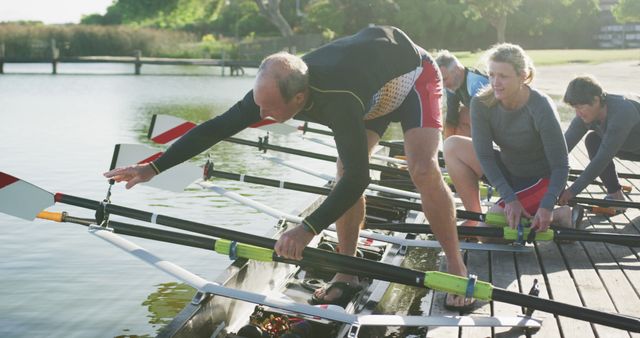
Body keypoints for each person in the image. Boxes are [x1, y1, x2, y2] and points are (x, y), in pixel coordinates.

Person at [104, 26, 471, 310]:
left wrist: (306, 229)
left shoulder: (338, 98)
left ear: (299, 98)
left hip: (412, 76)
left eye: (269, 111)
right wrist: (155, 166)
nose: (262, 117)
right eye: (259, 106)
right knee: (344, 170)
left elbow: (363, 179)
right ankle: (349, 271)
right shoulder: (273, 89)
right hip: (371, 89)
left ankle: (456, 265)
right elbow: (218, 126)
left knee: (420, 168)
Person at [443, 43, 573, 231]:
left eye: (503, 76)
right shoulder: (481, 103)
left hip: (541, 180)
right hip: (510, 171)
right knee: (452, 145)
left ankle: (560, 214)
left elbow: (561, 165)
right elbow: (485, 157)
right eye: (491, 75)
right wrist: (510, 199)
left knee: (486, 233)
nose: (495, 82)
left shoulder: (541, 106)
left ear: (523, 76)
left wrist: (547, 205)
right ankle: (474, 216)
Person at [558, 75, 640, 207]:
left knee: (600, 150)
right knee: (593, 140)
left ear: (596, 100)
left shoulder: (622, 112)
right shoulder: (587, 113)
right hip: (629, 146)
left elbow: (602, 159)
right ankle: (616, 196)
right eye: (575, 108)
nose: (578, 113)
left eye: (581, 107)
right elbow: (562, 148)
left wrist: (572, 191)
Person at [435, 50, 489, 139]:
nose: (443, 86)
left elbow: (484, 121)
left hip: (497, 126)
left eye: (444, 79)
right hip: (480, 124)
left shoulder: (476, 84)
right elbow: (451, 118)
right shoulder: (453, 85)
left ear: (457, 70)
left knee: (465, 115)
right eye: (440, 81)